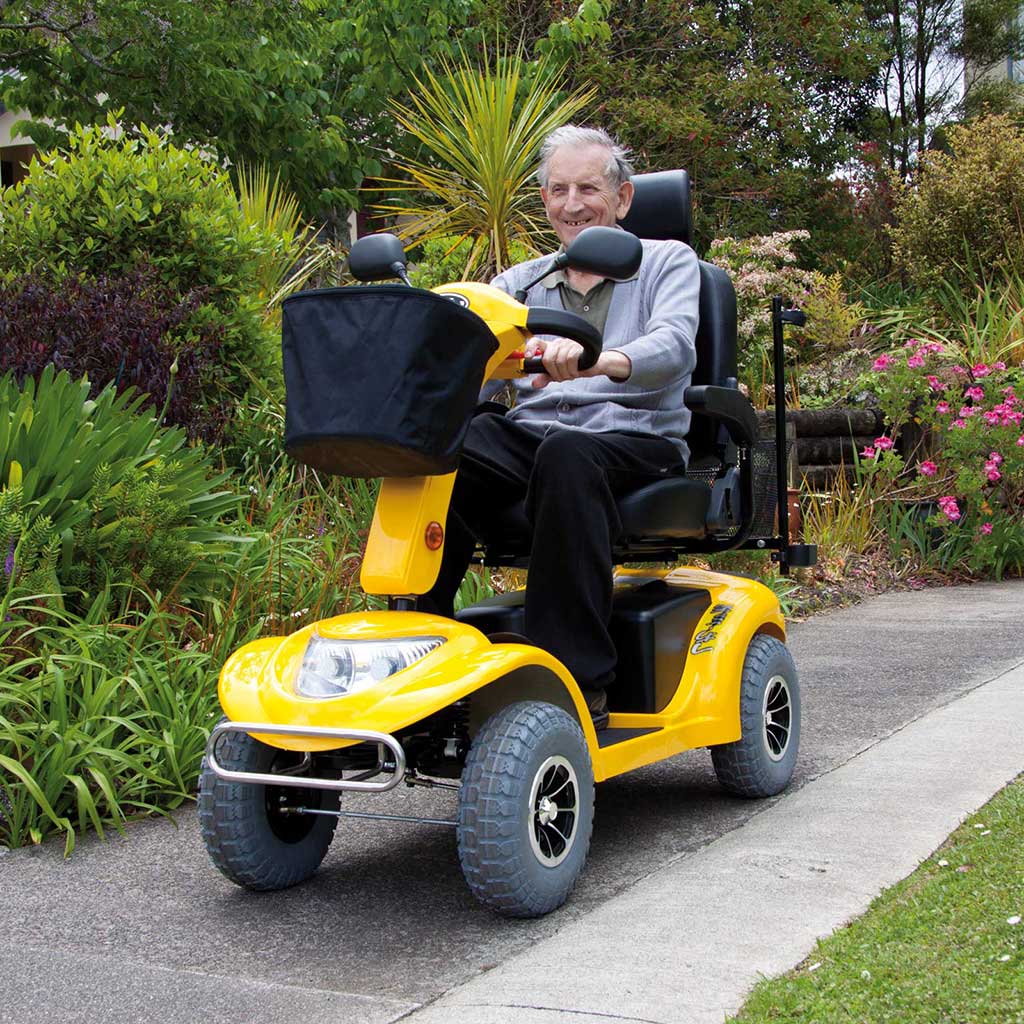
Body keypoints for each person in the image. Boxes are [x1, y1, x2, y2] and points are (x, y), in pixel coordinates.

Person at [424, 125, 700, 729]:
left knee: (569, 453)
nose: (571, 204)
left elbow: (675, 346)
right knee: (447, 445)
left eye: (588, 188)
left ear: (623, 198)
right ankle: (421, 650)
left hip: (635, 437)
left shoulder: (666, 262)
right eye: (557, 190)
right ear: (543, 199)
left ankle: (575, 681)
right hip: (537, 440)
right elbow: (470, 366)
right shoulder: (515, 284)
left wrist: (601, 360)